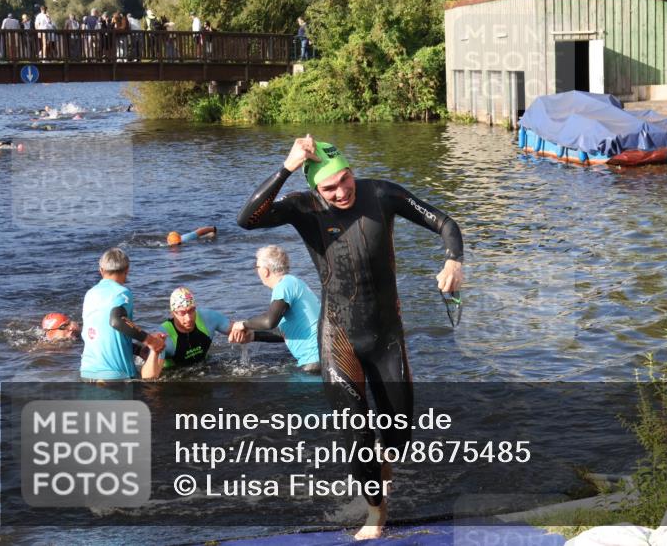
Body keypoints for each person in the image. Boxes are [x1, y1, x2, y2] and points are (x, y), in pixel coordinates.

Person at [237, 136, 464, 540]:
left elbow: (445, 223)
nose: (341, 192)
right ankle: (376, 512)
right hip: (339, 337)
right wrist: (287, 166)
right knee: (357, 435)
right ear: (314, 190)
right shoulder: (303, 209)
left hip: (386, 336)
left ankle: (380, 470)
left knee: (397, 437)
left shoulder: (382, 194)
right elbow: (248, 219)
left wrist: (453, 261)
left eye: (346, 180)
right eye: (330, 187)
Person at [228, 245, 321, 373]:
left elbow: (269, 321)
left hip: (315, 360)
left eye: (257, 267)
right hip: (322, 356)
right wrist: (254, 336)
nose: (257, 271)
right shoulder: (293, 282)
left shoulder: (284, 286)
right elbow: (289, 332)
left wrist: (243, 324)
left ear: (265, 270)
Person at [79, 247, 166, 382]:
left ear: (101, 270)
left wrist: (137, 350)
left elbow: (102, 335)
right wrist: (151, 341)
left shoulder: (90, 294)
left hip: (87, 373)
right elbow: (117, 321)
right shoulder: (122, 293)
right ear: (127, 270)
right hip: (115, 376)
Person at [149, 287, 242, 377]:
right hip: (172, 373)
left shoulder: (208, 317)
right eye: (182, 313)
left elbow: (238, 328)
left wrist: (240, 329)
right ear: (173, 313)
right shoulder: (164, 335)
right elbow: (149, 377)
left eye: (191, 310)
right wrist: (155, 351)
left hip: (203, 367)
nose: (188, 318)